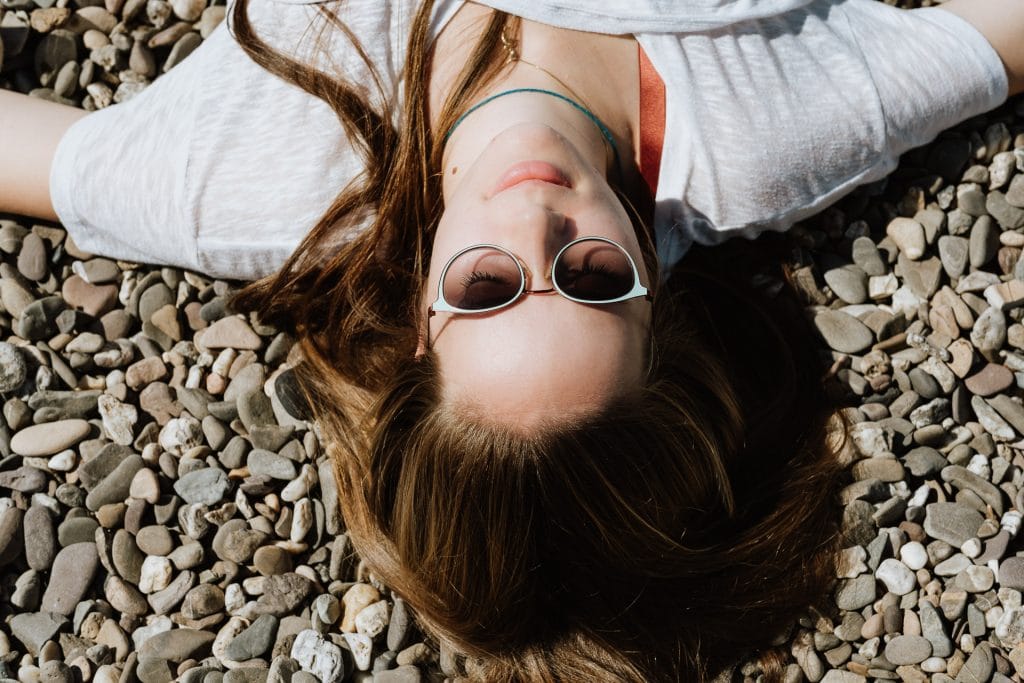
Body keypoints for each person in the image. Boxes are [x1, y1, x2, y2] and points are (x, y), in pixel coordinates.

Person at [2, 0, 1023, 679]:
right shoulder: (765, 135)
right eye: (593, 278)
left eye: (486, 287)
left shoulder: (250, 181)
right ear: (657, 302)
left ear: (419, 326)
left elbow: (38, 157)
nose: (536, 222)